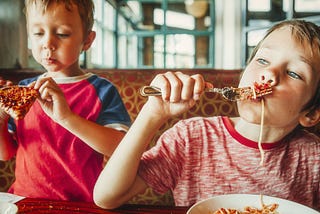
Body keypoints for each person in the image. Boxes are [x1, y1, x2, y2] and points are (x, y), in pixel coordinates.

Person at [93, 19, 320, 211]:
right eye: (262, 60)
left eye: (293, 73)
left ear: (310, 113)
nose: (269, 73)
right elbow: (107, 197)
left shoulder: (313, 158)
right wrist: (152, 113)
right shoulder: (191, 138)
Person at [0, 0, 131, 202]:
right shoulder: (23, 91)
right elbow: (5, 153)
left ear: (87, 40)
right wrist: (0, 119)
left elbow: (121, 148)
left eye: (62, 34)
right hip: (24, 201)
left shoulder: (102, 91)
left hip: (81, 204)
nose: (48, 43)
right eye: (38, 33)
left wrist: (67, 118)